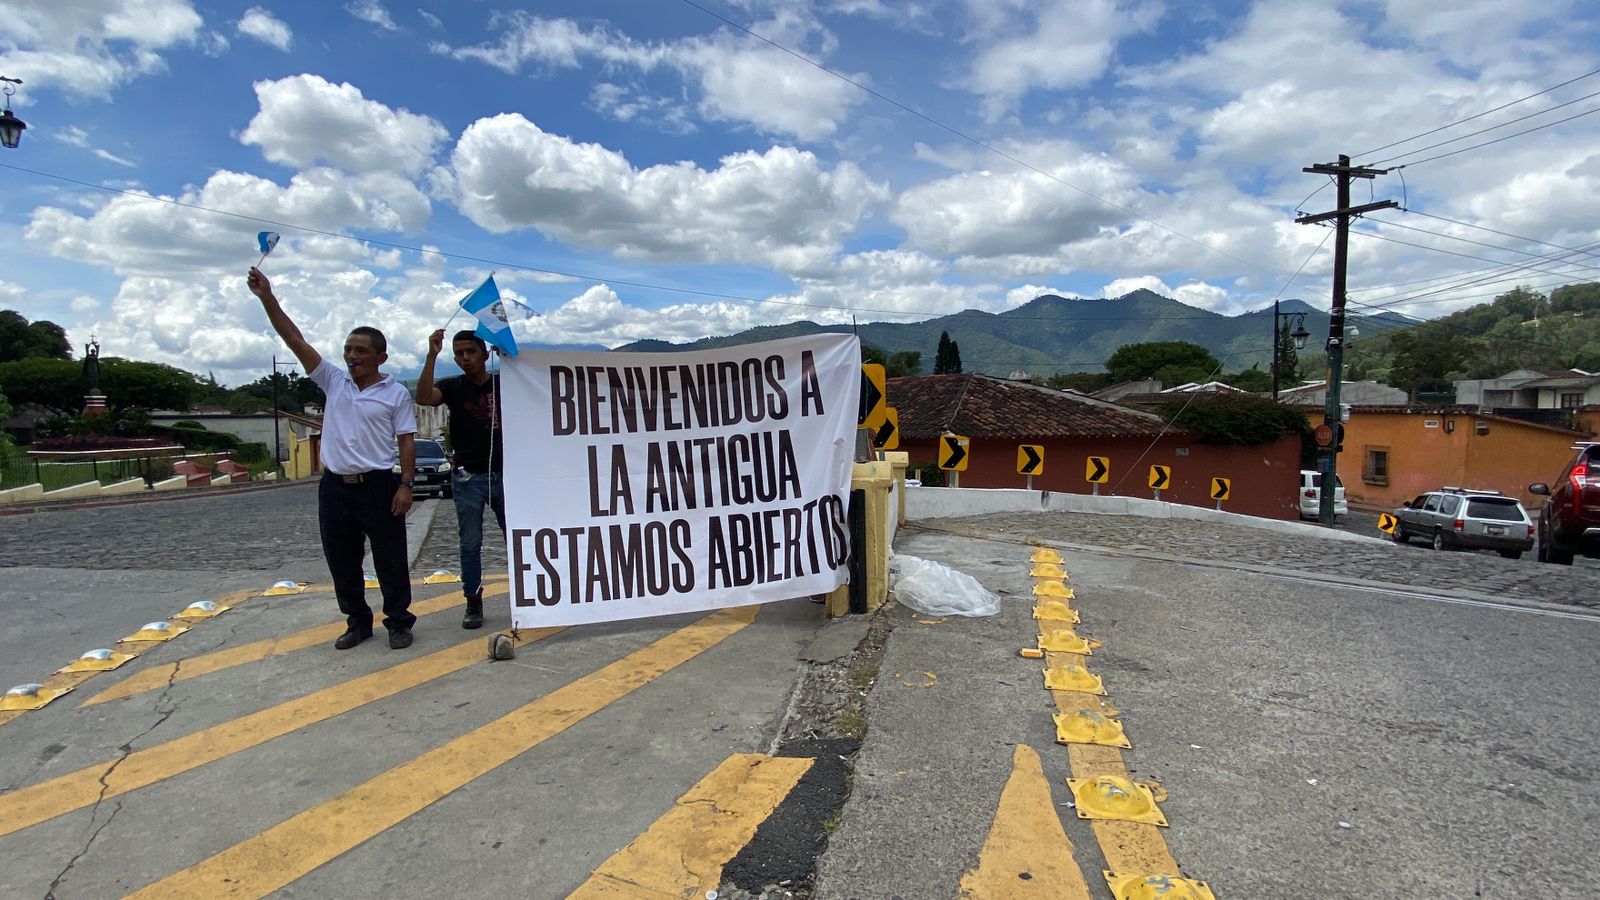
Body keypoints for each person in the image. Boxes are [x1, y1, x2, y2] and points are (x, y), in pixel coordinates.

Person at [247, 267, 419, 650]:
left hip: (378, 485)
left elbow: (407, 441)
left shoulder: (395, 394)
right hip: (336, 488)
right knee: (342, 560)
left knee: (390, 559)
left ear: (380, 357)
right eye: (348, 349)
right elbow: (295, 339)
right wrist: (267, 298)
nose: (351, 356)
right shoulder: (333, 381)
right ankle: (357, 622)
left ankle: (398, 622)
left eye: (361, 350)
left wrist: (405, 485)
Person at [416, 328, 504, 629]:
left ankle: (529, 593)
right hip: (468, 476)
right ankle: (473, 600)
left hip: (507, 474)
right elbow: (425, 397)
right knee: (470, 542)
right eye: (459, 354)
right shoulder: (452, 387)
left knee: (518, 539)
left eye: (471, 352)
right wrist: (432, 355)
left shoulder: (507, 384)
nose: (465, 358)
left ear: (485, 353)